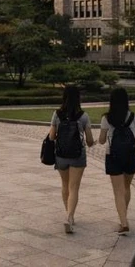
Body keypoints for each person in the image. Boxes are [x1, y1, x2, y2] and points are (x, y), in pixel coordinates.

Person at [49, 85, 95, 234]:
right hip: (77, 155)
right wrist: (92, 143)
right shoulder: (83, 116)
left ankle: (68, 214)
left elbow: (51, 137)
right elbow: (89, 140)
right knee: (74, 187)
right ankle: (70, 216)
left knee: (65, 185)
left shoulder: (57, 114)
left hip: (61, 155)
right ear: (78, 98)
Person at [98, 87, 135, 233]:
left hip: (113, 156)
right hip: (130, 155)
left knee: (118, 191)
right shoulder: (134, 117)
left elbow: (102, 140)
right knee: (126, 187)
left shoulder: (106, 118)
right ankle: (124, 217)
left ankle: (123, 222)